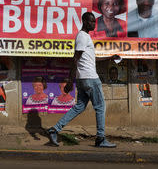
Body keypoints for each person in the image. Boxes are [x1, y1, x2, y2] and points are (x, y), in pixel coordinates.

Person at [48, 12, 117, 148]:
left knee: (79, 106)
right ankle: (100, 138)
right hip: (90, 78)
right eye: (91, 22)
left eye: (94, 22)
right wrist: (69, 81)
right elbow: (75, 58)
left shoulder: (85, 37)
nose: (93, 24)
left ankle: (54, 129)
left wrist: (109, 57)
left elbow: (90, 59)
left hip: (83, 78)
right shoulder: (82, 36)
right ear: (84, 21)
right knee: (100, 107)